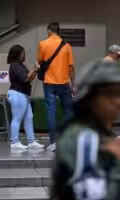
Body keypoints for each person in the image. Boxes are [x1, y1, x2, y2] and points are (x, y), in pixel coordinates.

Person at [51, 59, 120, 200]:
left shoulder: (99, 134)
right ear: (90, 98)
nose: (118, 101)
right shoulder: (83, 139)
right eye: (109, 94)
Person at [37, 22, 75, 152]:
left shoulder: (43, 44)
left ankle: (53, 142)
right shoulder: (67, 45)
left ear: (49, 31)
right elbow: (71, 68)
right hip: (64, 83)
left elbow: (40, 62)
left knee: (51, 112)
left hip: (49, 83)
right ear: (59, 31)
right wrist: (73, 84)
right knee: (69, 111)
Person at [7, 45, 44, 150]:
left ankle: (31, 141)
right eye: (23, 53)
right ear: (18, 54)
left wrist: (35, 70)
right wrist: (34, 69)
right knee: (17, 118)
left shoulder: (20, 65)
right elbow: (25, 79)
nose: (24, 55)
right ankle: (14, 142)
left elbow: (29, 77)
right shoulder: (15, 66)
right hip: (17, 94)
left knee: (29, 117)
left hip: (23, 94)